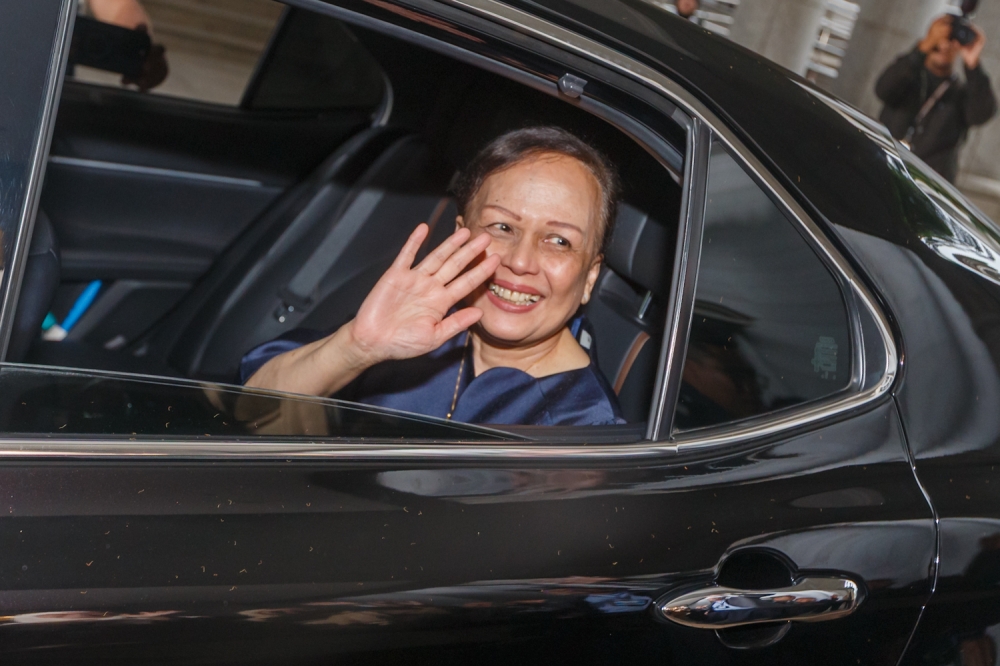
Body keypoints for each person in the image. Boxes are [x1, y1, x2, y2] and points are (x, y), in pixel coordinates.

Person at [242, 127, 626, 426]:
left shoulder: (585, 429)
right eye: (502, 227)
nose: (522, 261)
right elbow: (245, 415)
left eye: (559, 240)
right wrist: (355, 348)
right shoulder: (414, 324)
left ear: (591, 276)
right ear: (460, 236)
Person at [876, 14, 997, 183]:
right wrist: (924, 46)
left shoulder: (960, 94)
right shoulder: (908, 76)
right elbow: (883, 89)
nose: (945, 45)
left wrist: (973, 65)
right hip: (884, 166)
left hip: (927, 185)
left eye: (952, 40)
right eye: (940, 40)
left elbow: (982, 113)